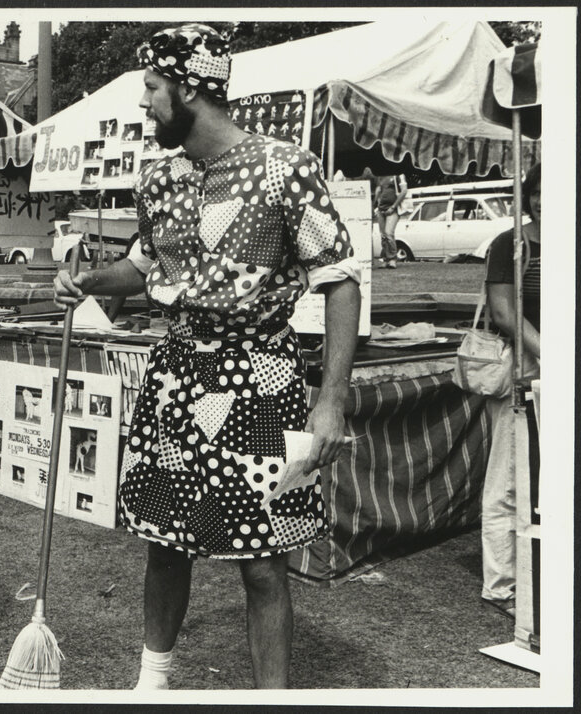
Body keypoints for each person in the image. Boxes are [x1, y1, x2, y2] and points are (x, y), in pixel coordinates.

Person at [53, 24, 361, 690]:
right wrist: (88, 279)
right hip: (174, 380)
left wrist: (331, 396)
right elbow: (142, 266)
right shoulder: (159, 178)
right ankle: (152, 684)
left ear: (190, 88)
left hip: (262, 379)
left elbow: (339, 280)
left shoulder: (286, 169)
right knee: (165, 542)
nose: (146, 104)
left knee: (264, 559)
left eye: (153, 89)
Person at [480, 163, 541, 620]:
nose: (542, 201)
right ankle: (502, 585)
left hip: (555, 369)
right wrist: (550, 353)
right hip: (522, 369)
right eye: (536, 192)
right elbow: (504, 312)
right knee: (507, 479)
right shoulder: (510, 244)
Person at [372, 173, 408, 268]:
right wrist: (376, 203)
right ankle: (386, 258)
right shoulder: (380, 177)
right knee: (383, 235)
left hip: (393, 209)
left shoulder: (399, 175)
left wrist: (393, 206)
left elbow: (404, 191)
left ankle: (392, 258)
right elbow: (378, 190)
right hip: (382, 209)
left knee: (388, 233)